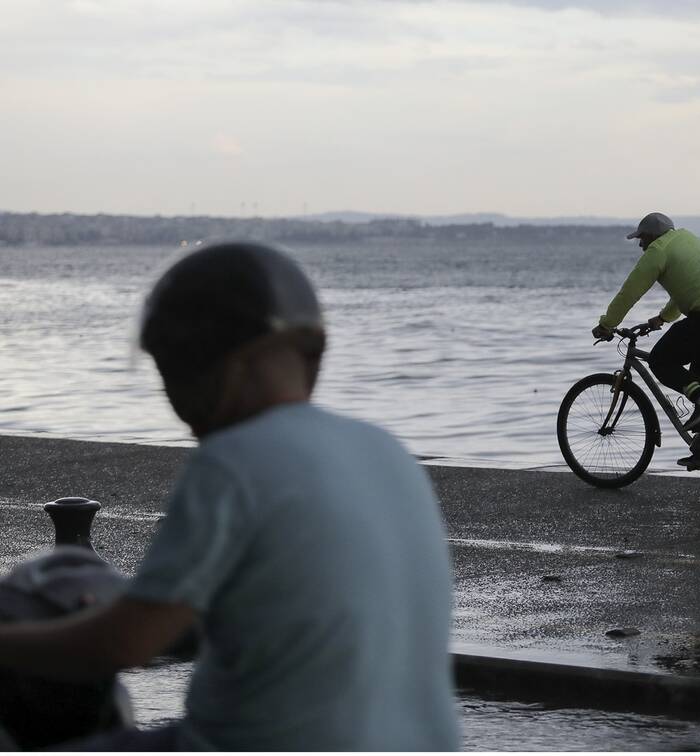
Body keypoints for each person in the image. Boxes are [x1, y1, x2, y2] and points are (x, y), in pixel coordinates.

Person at [0, 242, 459, 750]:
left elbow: (123, 643)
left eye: (171, 374)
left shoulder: (232, 461)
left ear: (219, 366)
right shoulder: (384, 448)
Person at [592, 212, 700, 469]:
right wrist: (662, 318)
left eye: (642, 239)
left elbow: (629, 292)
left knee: (660, 361)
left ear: (652, 236)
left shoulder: (658, 251)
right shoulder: (688, 240)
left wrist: (607, 324)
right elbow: (688, 287)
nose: (641, 245)